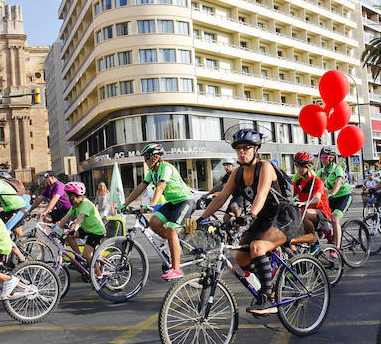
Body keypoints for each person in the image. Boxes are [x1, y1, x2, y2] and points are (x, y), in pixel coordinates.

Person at [195, 128, 302, 315]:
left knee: (257, 247)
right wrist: (201, 219)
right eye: (238, 149)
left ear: (256, 149)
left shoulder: (265, 167)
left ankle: (268, 300)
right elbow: (221, 198)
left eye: (246, 148)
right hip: (263, 217)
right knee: (241, 256)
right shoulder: (237, 173)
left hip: (284, 215)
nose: (242, 152)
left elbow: (261, 194)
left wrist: (250, 215)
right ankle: (267, 286)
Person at [118, 143, 195, 280]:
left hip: (185, 201)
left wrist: (152, 204)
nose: (145, 160)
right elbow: (139, 188)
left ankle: (176, 269)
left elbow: (160, 187)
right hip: (172, 203)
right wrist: (124, 205)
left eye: (147, 157)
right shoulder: (152, 173)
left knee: (171, 230)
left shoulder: (166, 168)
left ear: (156, 157)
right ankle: (172, 243)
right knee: (154, 222)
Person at [57, 182, 106, 267]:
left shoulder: (85, 203)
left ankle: (99, 276)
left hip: (96, 232)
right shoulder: (76, 205)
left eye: (68, 195)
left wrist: (74, 229)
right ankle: (79, 258)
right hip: (86, 229)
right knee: (69, 236)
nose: (67, 197)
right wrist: (56, 229)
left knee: (87, 255)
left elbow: (80, 217)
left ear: (73, 196)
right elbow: (66, 217)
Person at [291, 151, 330, 243]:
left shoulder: (317, 181)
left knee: (302, 214)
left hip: (321, 211)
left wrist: (302, 203)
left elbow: (316, 200)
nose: (299, 169)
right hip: (305, 211)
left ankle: (314, 242)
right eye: (297, 166)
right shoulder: (298, 182)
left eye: (302, 166)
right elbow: (289, 194)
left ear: (309, 166)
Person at [317, 147, 352, 247]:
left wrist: (332, 193)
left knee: (334, 219)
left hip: (343, 196)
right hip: (331, 198)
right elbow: (315, 185)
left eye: (325, 157)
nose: (322, 159)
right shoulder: (321, 172)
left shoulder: (338, 169)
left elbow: (338, 182)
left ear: (331, 158)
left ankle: (336, 249)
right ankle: (329, 235)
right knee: (319, 216)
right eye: (321, 157)